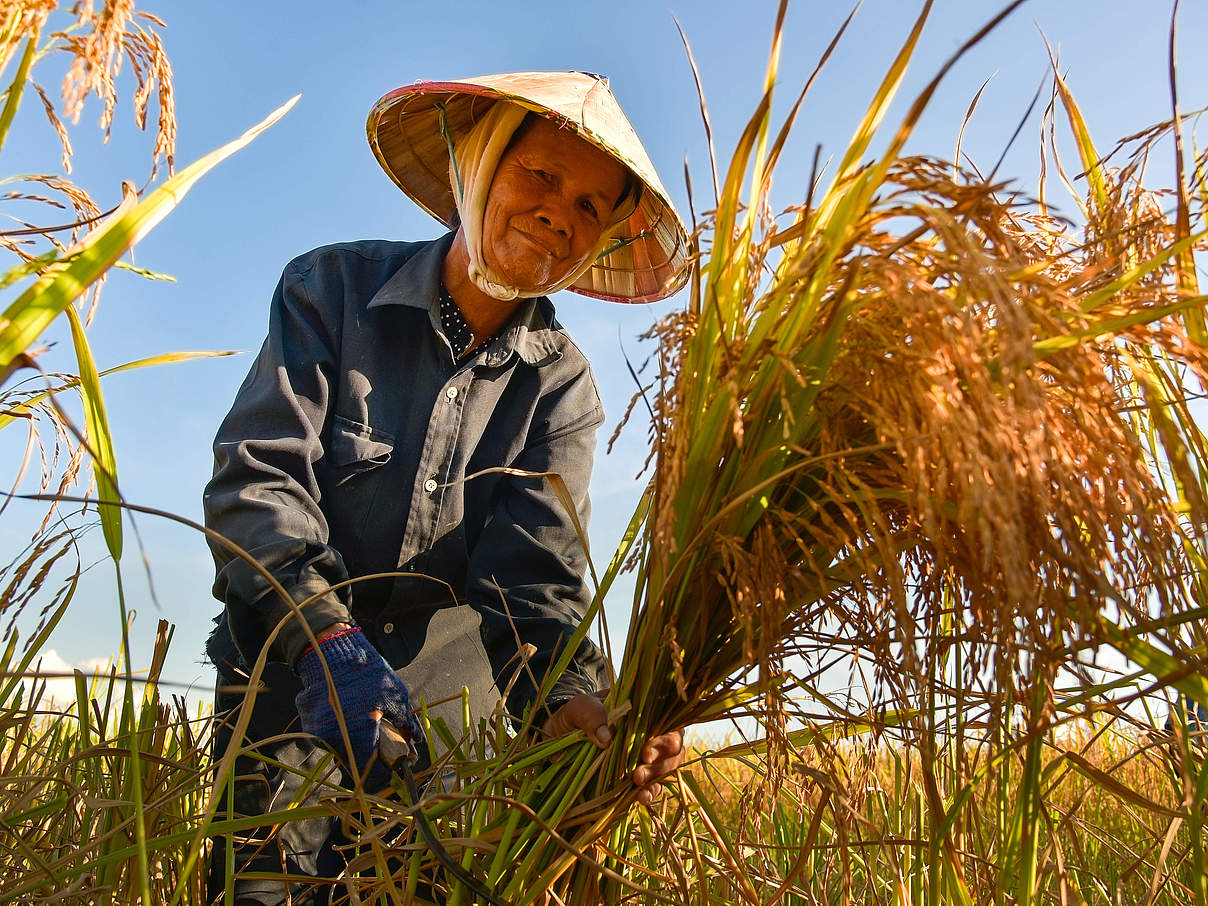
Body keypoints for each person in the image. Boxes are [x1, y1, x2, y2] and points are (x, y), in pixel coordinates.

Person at [202, 72, 691, 904]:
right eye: (539, 176)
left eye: (587, 207)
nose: (556, 214)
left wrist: (573, 704)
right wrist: (325, 640)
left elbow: (532, 583)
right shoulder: (330, 292)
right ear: (478, 163)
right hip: (287, 696)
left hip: (440, 741)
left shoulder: (563, 392)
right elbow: (258, 479)